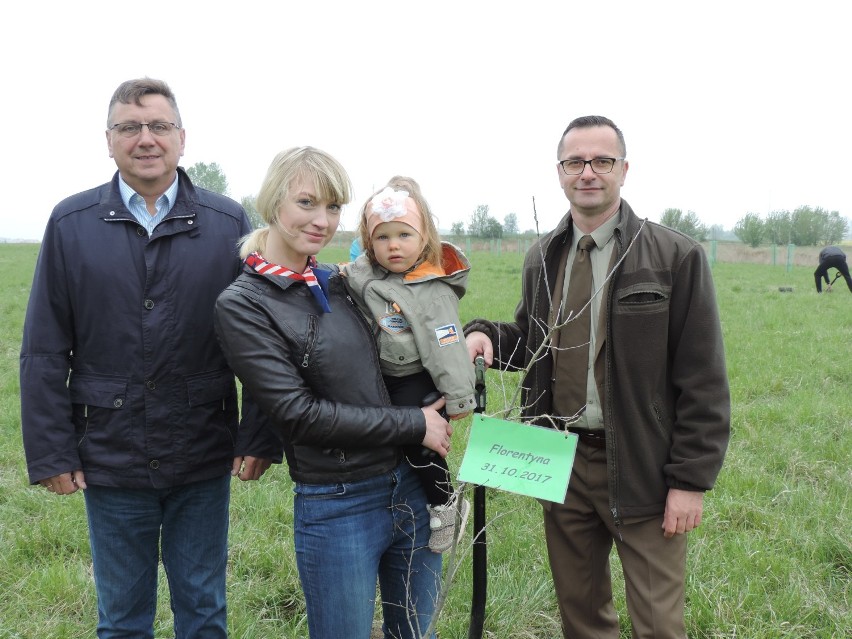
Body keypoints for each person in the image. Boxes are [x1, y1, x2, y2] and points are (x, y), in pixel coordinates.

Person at [19, 77, 279, 639]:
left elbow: (259, 342)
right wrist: (50, 451)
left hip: (202, 453)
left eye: (159, 126)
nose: (145, 139)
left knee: (204, 610)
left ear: (182, 139)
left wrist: (258, 434)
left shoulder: (228, 223)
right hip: (111, 457)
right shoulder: (71, 224)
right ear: (108, 140)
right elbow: (43, 348)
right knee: (121, 619)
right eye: (129, 127)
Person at [464, 115, 731, 638]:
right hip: (557, 461)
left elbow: (703, 378)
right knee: (581, 618)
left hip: (641, 466)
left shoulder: (675, 256)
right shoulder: (543, 255)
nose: (588, 172)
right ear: (559, 172)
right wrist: (486, 337)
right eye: (575, 162)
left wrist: (689, 481)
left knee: (657, 624)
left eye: (601, 161)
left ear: (623, 170)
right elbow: (534, 338)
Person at [213, 147, 452, 639]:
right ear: (273, 202)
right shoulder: (243, 304)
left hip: (409, 483)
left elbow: (408, 333)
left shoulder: (337, 282)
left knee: (415, 633)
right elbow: (297, 414)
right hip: (339, 500)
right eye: (307, 203)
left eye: (333, 207)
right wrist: (415, 424)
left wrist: (469, 341)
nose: (322, 220)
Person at [342, 176, 474, 553]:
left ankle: (446, 503)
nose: (394, 245)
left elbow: (448, 346)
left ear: (424, 238)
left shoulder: (431, 289)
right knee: (390, 436)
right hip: (386, 376)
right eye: (382, 238)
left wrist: (459, 397)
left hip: (419, 378)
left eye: (404, 235)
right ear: (369, 243)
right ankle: (399, 506)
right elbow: (348, 280)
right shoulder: (368, 273)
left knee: (420, 443)